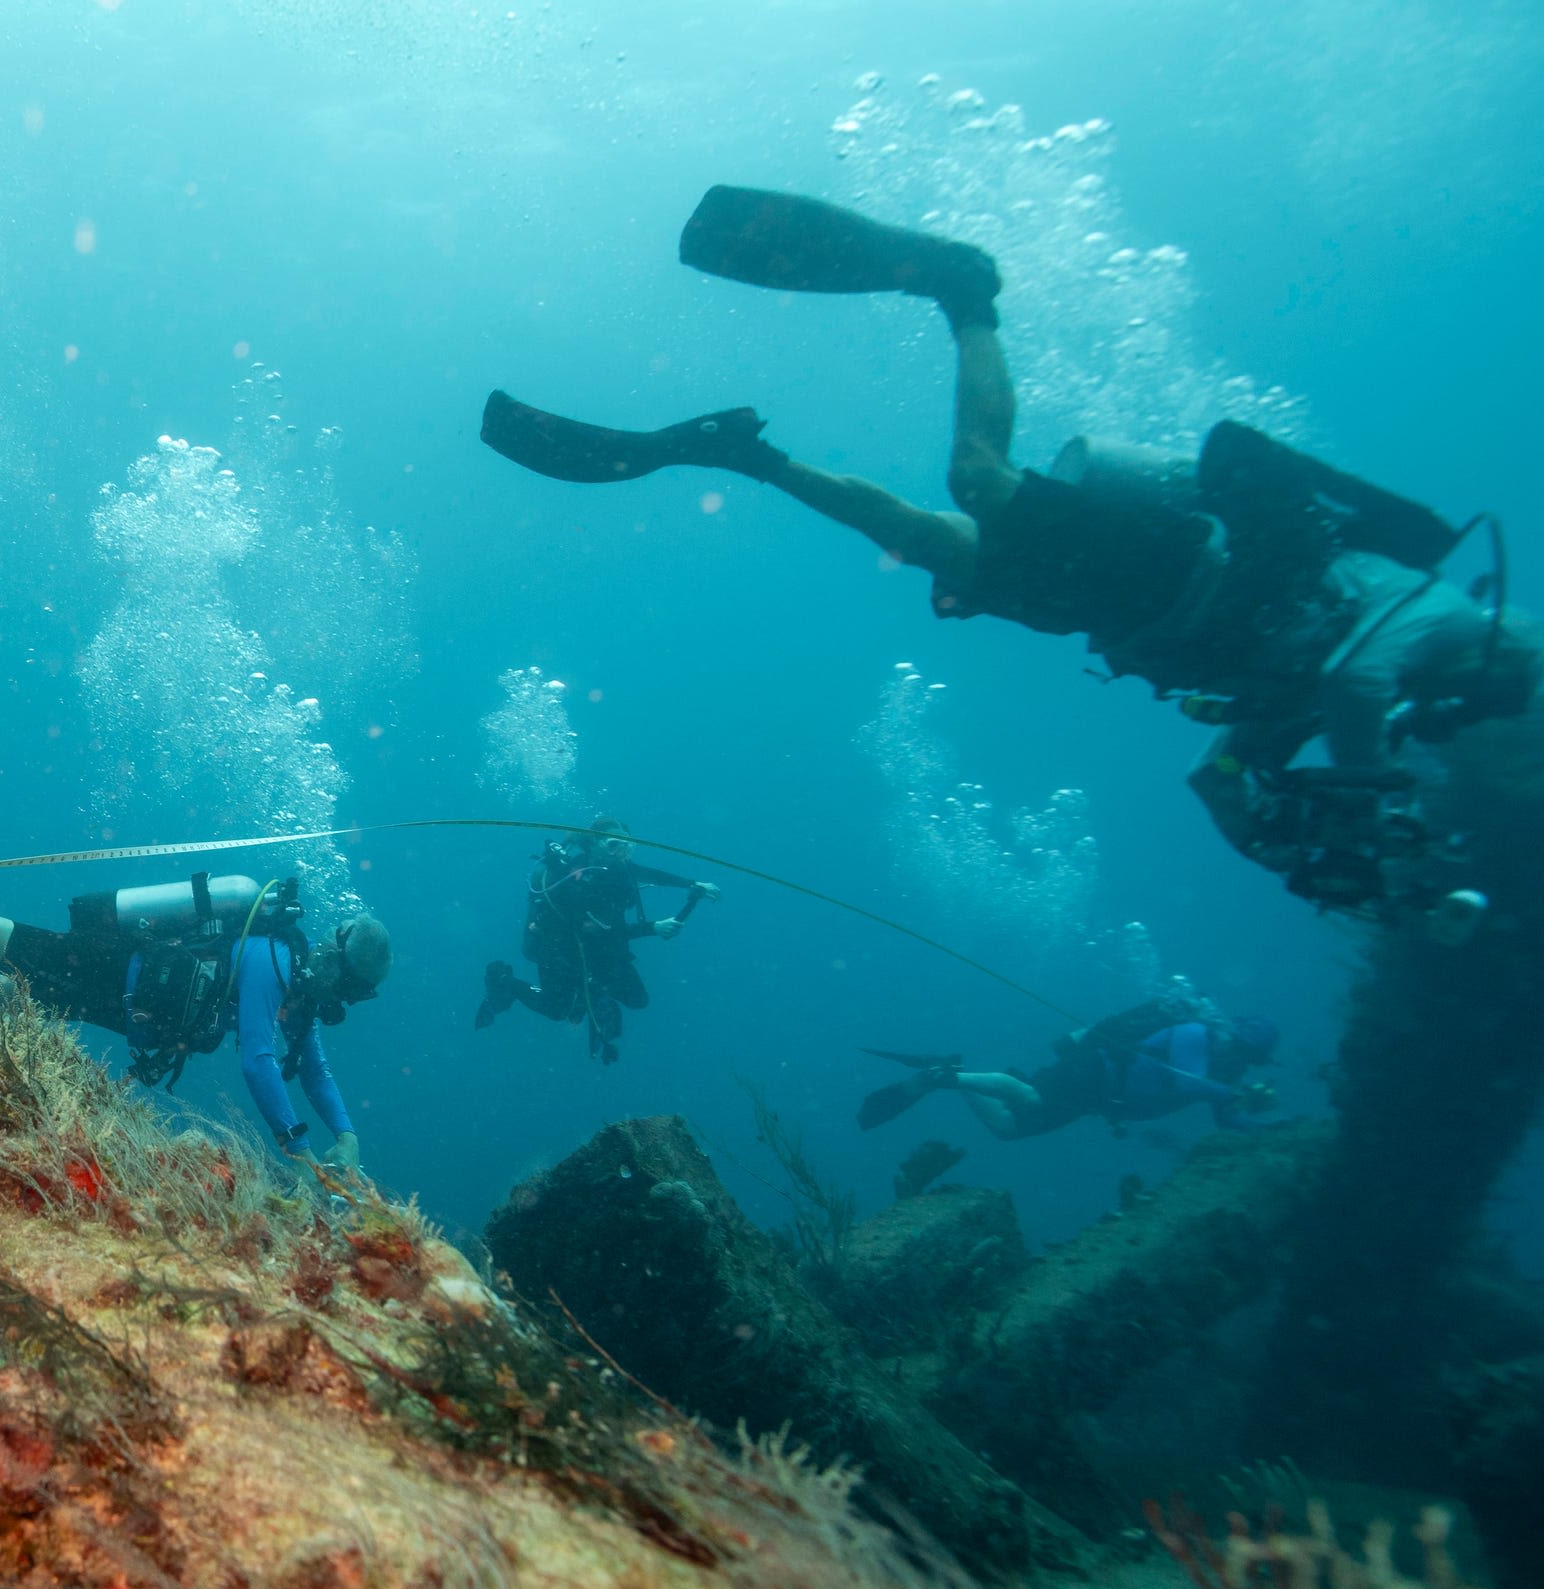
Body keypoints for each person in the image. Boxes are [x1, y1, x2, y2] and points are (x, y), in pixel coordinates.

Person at [480, 185, 1520, 934]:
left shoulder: (1307, 701)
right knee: (976, 480)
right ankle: (960, 289)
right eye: (1479, 699)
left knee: (925, 539)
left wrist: (1284, 842)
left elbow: (1220, 778)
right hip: (1169, 562)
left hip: (1122, 615)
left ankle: (745, 458)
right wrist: (1368, 803)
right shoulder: (1440, 616)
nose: (1453, 714)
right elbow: (1359, 683)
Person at [0, 762, 390, 1170]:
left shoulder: (300, 996)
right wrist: (301, 1151)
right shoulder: (274, 958)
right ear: (333, 958)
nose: (337, 994)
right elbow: (259, 1059)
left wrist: (350, 1137)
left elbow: (313, 1070)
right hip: (101, 970)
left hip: (105, 999)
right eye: (344, 981)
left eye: (350, 993)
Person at [856, 991, 1281, 1140]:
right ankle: (943, 1078)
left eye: (1251, 1060)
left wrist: (1262, 1128)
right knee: (1030, 1099)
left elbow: (1226, 1119)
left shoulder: (1222, 1072)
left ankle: (948, 1070)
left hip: (1099, 1096)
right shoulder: (1195, 1035)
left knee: (1008, 1128)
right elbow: (1186, 1083)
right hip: (1093, 1072)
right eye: (1245, 1054)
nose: (1242, 1063)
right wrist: (1228, 1093)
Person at [470, 818, 718, 1063]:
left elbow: (648, 873)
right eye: (614, 845)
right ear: (594, 846)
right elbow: (598, 929)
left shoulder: (620, 869)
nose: (623, 852)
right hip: (560, 950)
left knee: (637, 999)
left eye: (629, 845)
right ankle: (504, 980)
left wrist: (692, 884)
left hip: (600, 951)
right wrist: (654, 928)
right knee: (555, 1010)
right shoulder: (576, 878)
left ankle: (590, 993)